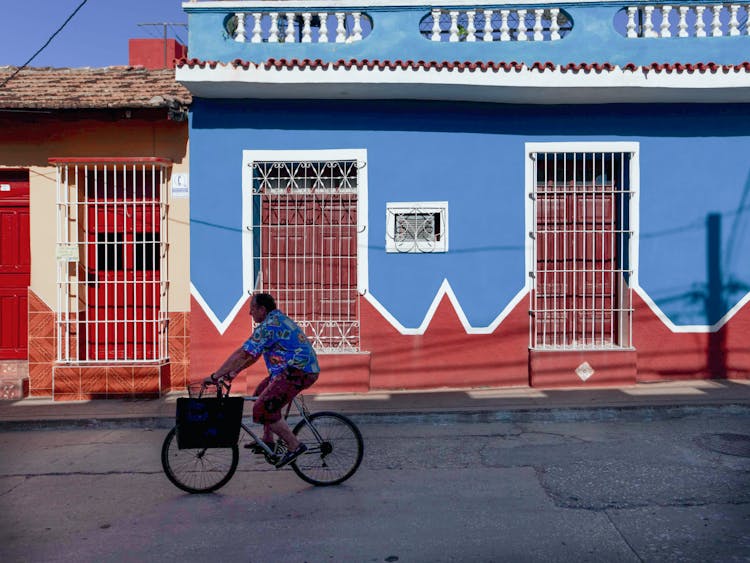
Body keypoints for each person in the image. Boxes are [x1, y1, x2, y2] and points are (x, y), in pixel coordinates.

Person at [204, 292, 320, 468]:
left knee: (262, 408)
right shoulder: (274, 320)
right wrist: (234, 371)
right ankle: (268, 440)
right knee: (260, 394)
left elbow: (242, 353)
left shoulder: (269, 326)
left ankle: (294, 445)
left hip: (298, 371)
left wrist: (216, 375)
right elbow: (253, 355)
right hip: (290, 371)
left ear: (262, 309)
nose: (250, 314)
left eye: (252, 309)